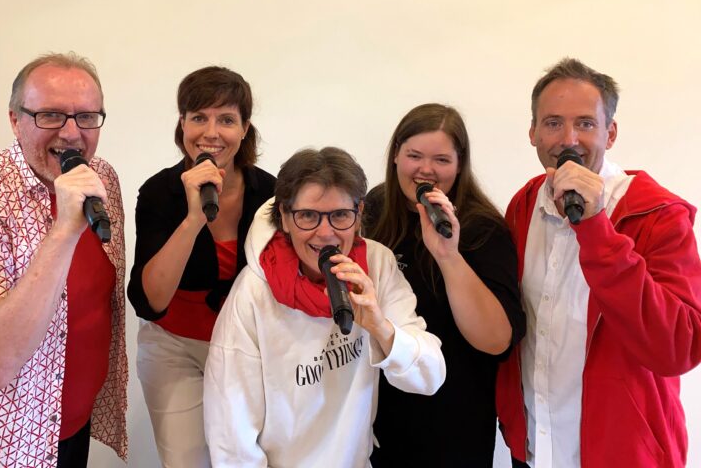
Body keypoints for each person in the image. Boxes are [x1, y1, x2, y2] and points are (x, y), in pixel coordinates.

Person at [496, 58, 701, 468]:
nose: (568, 139)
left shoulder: (658, 215)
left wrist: (596, 229)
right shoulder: (524, 204)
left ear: (611, 133)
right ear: (533, 132)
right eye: (553, 123)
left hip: (623, 455)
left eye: (586, 124)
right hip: (533, 452)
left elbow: (680, 346)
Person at [0, 53, 127, 467]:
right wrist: (64, 231)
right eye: (50, 115)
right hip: (3, 445)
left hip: (73, 425)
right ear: (15, 120)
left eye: (86, 116)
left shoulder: (102, 178)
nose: (71, 133)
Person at [204, 146, 447, 468]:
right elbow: (230, 428)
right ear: (285, 218)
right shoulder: (253, 291)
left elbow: (430, 377)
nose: (325, 233)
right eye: (308, 216)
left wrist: (381, 327)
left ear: (359, 214)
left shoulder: (377, 264)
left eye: (340, 215)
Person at [127, 66, 275, 467]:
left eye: (226, 119)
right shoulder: (159, 192)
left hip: (248, 345)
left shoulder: (270, 193)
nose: (211, 132)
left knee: (250, 457)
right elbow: (150, 301)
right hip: (174, 346)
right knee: (187, 460)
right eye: (198, 118)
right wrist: (194, 219)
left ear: (244, 129)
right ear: (183, 124)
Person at [362, 103, 525, 466]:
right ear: (395, 156)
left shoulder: (482, 229)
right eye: (414, 156)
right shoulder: (377, 207)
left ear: (459, 164)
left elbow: (497, 341)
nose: (426, 170)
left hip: (453, 418)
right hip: (382, 410)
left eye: (441, 160)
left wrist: (448, 255)